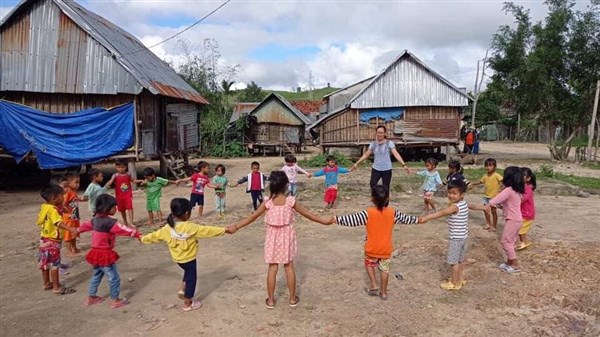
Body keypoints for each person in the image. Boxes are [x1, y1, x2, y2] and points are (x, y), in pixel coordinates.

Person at [227, 171, 333, 309]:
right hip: (287, 236)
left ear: (271, 186)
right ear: (286, 185)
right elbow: (308, 214)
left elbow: (252, 217)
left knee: (272, 268)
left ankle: (271, 300)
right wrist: (324, 221)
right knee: (289, 267)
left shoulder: (268, 203)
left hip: (272, 237)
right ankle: (292, 299)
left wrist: (236, 226)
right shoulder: (290, 201)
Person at [141, 198, 231, 311]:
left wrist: (142, 238)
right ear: (187, 213)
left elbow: (154, 236)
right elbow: (208, 230)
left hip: (178, 260)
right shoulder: (190, 228)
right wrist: (224, 230)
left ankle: (183, 288)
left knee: (187, 272)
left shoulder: (167, 228)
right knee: (191, 278)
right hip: (189, 259)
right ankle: (187, 303)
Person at [334, 185, 419, 300]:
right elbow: (408, 219)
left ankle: (374, 284)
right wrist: (419, 220)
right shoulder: (393, 213)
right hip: (385, 249)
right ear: (388, 198)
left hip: (371, 248)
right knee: (384, 270)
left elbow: (351, 220)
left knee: (369, 264)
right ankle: (384, 293)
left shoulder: (368, 213)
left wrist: (336, 219)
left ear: (372, 199)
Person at [420, 180, 490, 290]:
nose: (451, 196)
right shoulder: (464, 203)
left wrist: (426, 218)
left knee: (454, 262)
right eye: (449, 193)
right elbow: (472, 206)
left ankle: (454, 283)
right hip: (463, 237)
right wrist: (484, 207)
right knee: (460, 261)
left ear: (462, 195)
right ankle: (459, 280)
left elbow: (442, 213)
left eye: (454, 193)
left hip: (456, 239)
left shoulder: (455, 207)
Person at [78, 195, 141, 309]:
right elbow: (123, 229)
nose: (116, 209)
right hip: (105, 254)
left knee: (97, 274)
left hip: (95, 253)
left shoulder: (95, 219)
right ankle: (115, 300)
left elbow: (85, 226)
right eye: (114, 207)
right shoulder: (110, 222)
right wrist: (137, 234)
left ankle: (91, 297)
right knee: (114, 277)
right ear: (107, 208)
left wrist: (77, 230)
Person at [36, 184, 78, 295]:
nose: (63, 198)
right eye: (62, 196)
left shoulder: (45, 207)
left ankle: (46, 283)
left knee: (45, 262)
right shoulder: (53, 210)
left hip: (44, 240)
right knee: (55, 264)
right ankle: (56, 287)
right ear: (54, 198)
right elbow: (58, 222)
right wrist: (71, 229)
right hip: (53, 241)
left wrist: (62, 208)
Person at [489, 166, 525, 273]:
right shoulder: (517, 190)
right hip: (517, 220)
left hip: (513, 220)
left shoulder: (508, 190)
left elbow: (494, 201)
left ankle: (515, 264)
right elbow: (509, 204)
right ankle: (509, 261)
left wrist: (484, 205)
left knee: (505, 241)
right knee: (510, 241)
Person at [350, 125, 410, 189]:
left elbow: (396, 154)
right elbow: (366, 154)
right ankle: (374, 198)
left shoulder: (389, 143)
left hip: (387, 169)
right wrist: (356, 163)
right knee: (372, 184)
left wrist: (404, 165)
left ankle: (386, 199)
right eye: (378, 132)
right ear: (376, 133)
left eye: (381, 132)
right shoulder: (373, 144)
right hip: (376, 169)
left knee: (386, 187)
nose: (379, 134)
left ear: (384, 133)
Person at [470, 158, 503, 231]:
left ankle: (494, 225)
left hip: (494, 197)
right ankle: (488, 223)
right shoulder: (485, 176)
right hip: (486, 197)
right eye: (487, 166)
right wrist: (473, 183)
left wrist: (499, 191)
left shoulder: (496, 175)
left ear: (494, 166)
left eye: (490, 166)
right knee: (485, 210)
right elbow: (480, 181)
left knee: (494, 211)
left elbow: (502, 181)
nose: (488, 167)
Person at [104, 161, 135, 227]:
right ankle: (125, 222)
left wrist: (141, 180)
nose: (121, 169)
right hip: (119, 196)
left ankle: (131, 222)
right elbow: (110, 181)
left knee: (130, 208)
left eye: (123, 167)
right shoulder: (115, 175)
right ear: (116, 167)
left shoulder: (128, 174)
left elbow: (133, 181)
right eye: (119, 167)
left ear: (126, 167)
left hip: (128, 195)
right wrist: (106, 185)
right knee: (122, 209)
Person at [62, 172, 83, 254]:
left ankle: (74, 248)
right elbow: (63, 204)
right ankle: (69, 250)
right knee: (68, 234)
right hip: (69, 217)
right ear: (69, 183)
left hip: (75, 216)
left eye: (79, 182)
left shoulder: (73, 192)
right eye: (76, 182)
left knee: (74, 232)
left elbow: (76, 199)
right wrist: (67, 212)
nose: (78, 184)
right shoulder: (67, 192)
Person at [517, 167, 537, 250]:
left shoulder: (528, 187)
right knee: (520, 229)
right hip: (523, 213)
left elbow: (523, 199)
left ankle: (524, 243)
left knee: (521, 230)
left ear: (528, 178)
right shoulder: (522, 186)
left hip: (527, 214)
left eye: (522, 176)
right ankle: (524, 243)